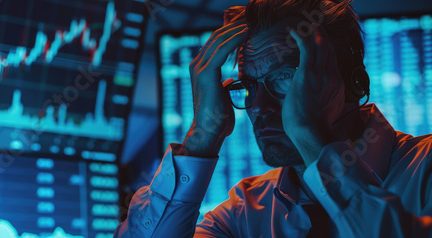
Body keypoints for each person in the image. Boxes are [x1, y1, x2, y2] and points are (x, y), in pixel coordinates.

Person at [115, 0, 432, 237]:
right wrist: (202, 136)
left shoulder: (425, 169)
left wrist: (311, 135)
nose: (258, 106)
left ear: (352, 80)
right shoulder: (245, 212)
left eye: (284, 77)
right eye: (249, 86)